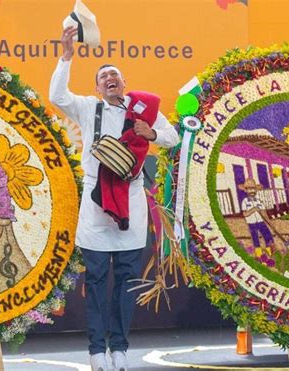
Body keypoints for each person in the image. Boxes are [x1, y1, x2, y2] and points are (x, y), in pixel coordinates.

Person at [49, 26, 179, 371]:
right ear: (97, 87)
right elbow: (56, 96)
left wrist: (149, 132)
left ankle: (120, 349)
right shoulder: (86, 107)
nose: (110, 78)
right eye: (104, 75)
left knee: (125, 281)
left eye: (115, 75)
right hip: (95, 205)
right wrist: (66, 56)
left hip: (131, 203)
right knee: (94, 282)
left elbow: (172, 135)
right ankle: (96, 352)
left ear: (124, 83)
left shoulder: (142, 109)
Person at [239, 178, 275, 257]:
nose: (252, 191)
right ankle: (259, 254)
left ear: (256, 190)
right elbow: (245, 214)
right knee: (255, 238)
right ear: (246, 190)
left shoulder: (258, 201)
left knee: (268, 235)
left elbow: (263, 212)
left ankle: (270, 251)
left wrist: (269, 222)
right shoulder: (245, 201)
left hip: (261, 222)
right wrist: (253, 209)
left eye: (253, 189)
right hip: (252, 223)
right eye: (249, 189)